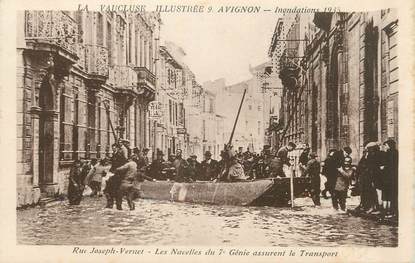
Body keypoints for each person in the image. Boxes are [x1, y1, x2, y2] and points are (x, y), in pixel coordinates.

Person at [104, 143, 128, 209]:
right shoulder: (115, 154)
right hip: (113, 173)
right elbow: (111, 161)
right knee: (110, 189)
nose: (113, 149)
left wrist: (119, 172)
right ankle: (111, 204)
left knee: (115, 189)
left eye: (114, 148)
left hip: (118, 174)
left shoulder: (119, 155)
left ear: (117, 148)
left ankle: (117, 205)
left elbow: (123, 164)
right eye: (113, 148)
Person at [382, 139, 398, 217]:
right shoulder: (396, 152)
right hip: (393, 177)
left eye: (386, 145)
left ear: (389, 145)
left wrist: (383, 167)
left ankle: (389, 212)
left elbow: (388, 165)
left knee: (388, 194)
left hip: (388, 177)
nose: (385, 147)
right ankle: (391, 211)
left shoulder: (388, 153)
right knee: (392, 195)